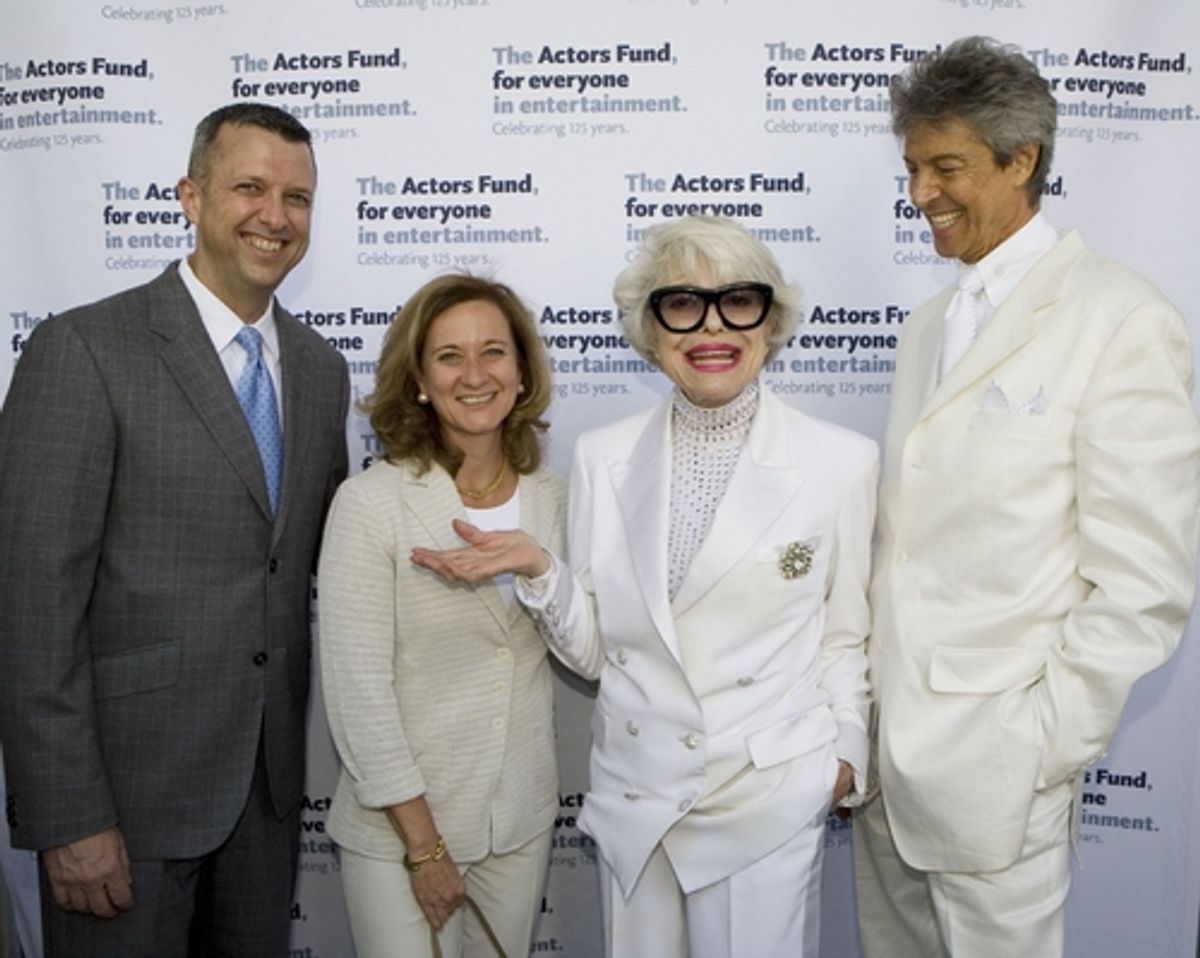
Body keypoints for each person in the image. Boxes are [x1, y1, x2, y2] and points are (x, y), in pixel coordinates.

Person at [413, 216, 879, 957]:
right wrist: (540, 569)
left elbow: (845, 635)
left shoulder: (842, 463)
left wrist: (842, 760)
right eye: (683, 304)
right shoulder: (602, 458)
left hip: (766, 799)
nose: (712, 327)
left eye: (739, 301)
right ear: (651, 329)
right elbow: (598, 654)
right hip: (640, 798)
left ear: (772, 319)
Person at [855, 36, 1200, 958]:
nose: (922, 192)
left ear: (1022, 160)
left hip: (998, 775)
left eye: (947, 166)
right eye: (914, 167)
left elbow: (1144, 585)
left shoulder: (1121, 318)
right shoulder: (929, 323)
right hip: (890, 770)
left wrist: (1039, 749)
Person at [0, 102, 350, 956]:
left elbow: (313, 566)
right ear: (189, 196)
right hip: (122, 806)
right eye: (250, 187)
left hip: (265, 805)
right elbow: (31, 604)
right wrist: (68, 815)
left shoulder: (319, 368)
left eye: (297, 197)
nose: (276, 215)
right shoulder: (84, 349)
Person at [317, 273, 565, 958]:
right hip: (403, 835)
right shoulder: (372, 505)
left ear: (521, 371)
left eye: (494, 352)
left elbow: (586, 647)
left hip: (517, 823)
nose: (475, 374)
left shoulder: (555, 499)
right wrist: (425, 850)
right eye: (449, 356)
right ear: (420, 378)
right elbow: (359, 695)